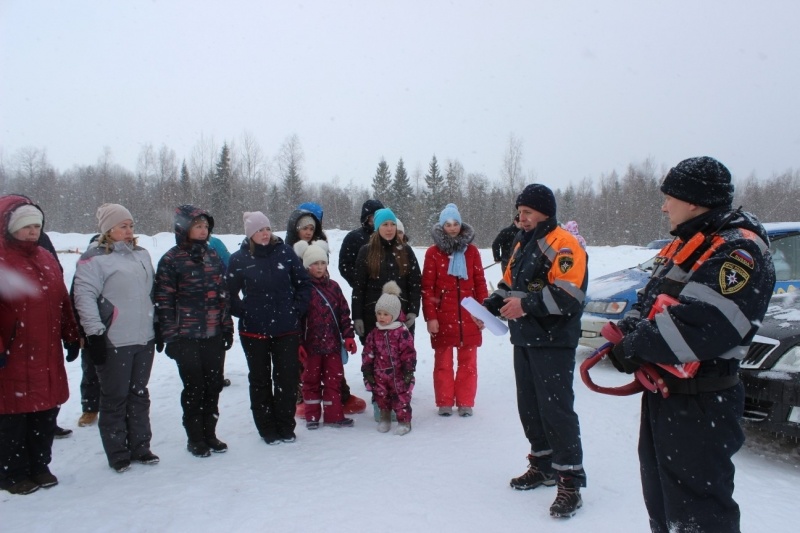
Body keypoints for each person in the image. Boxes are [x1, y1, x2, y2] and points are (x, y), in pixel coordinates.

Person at [607, 156, 775, 533]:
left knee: (698, 516)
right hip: (669, 396)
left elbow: (705, 326)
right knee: (664, 506)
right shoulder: (690, 243)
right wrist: (628, 331)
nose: (664, 206)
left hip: (702, 403)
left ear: (695, 201)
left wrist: (635, 345)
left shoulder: (737, 252)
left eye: (670, 198)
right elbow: (651, 303)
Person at [484, 183, 588, 518]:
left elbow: (570, 294)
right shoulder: (521, 241)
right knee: (529, 406)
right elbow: (509, 283)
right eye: (520, 212)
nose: (522, 218)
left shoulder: (564, 244)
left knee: (556, 409)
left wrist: (526, 305)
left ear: (545, 212)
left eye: (528, 212)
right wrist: (490, 304)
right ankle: (542, 464)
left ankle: (569, 482)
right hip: (524, 338)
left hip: (554, 340)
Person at [0, 195, 80, 495]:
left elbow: (61, 301)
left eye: (36, 225)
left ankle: (40, 465)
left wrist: (71, 334)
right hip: (12, 356)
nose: (33, 231)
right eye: (25, 226)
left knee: (44, 413)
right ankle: (12, 472)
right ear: (8, 227)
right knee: (13, 416)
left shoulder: (46, 257)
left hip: (46, 352)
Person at [72, 203, 160, 473]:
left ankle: (140, 447)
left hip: (143, 337)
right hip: (113, 338)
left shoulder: (142, 254)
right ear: (108, 229)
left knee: (139, 394)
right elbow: (84, 297)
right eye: (123, 225)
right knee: (115, 397)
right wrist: (95, 333)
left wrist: (158, 325)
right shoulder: (93, 258)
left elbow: (151, 292)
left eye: (131, 225)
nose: (129, 230)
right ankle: (118, 451)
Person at [155, 205, 234, 457]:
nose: (203, 230)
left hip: (213, 334)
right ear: (184, 228)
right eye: (197, 226)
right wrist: (170, 337)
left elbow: (223, 295)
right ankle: (195, 437)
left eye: (205, 226)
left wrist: (227, 326)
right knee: (194, 387)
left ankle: (210, 433)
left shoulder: (212, 255)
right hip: (185, 336)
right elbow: (163, 301)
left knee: (213, 386)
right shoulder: (171, 259)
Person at [228, 211, 311, 445]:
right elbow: (229, 293)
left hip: (286, 328)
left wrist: (296, 309)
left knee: (285, 379)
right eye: (258, 231)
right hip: (254, 331)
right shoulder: (239, 259)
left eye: (266, 229)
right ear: (250, 235)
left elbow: (303, 283)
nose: (264, 234)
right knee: (260, 379)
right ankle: (267, 428)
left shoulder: (285, 253)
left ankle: (285, 426)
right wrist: (244, 311)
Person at [287, 203, 366, 416]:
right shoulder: (287, 253)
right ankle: (306, 403)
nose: (308, 231)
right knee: (308, 374)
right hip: (308, 337)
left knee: (333, 373)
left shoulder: (331, 285)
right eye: (304, 228)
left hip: (330, 338)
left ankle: (338, 402)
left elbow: (342, 312)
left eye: (311, 228)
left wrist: (347, 335)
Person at [421, 203, 488, 417]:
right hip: (443, 316)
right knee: (443, 363)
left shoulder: (472, 251)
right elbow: (427, 288)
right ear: (442, 226)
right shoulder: (433, 253)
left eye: (456, 223)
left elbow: (480, 283)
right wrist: (431, 317)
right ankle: (445, 402)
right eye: (448, 224)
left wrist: (483, 312)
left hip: (469, 315)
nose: (452, 228)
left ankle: (466, 402)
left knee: (468, 363)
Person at [294, 241, 358, 429]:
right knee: (310, 381)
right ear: (307, 266)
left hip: (332, 346)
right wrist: (298, 342)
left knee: (334, 380)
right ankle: (312, 416)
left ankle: (334, 415)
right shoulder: (303, 289)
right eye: (315, 263)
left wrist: (348, 336)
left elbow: (344, 314)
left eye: (323, 263)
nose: (320, 267)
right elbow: (296, 318)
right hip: (311, 346)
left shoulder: (335, 287)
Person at [351, 207, 421, 341]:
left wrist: (413, 311)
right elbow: (358, 289)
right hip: (374, 317)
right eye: (385, 224)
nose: (390, 229)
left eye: (392, 224)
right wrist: (358, 317)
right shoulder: (366, 252)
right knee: (375, 358)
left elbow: (415, 284)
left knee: (403, 357)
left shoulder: (406, 251)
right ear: (377, 227)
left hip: (401, 316)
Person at [361, 281, 417, 435]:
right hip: (380, 374)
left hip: (398, 374)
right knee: (381, 397)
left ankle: (404, 421)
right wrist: (367, 370)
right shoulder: (374, 333)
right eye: (379, 313)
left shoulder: (401, 332)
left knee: (401, 398)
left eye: (386, 314)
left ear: (394, 314)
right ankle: (385, 418)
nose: (381, 317)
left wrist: (408, 370)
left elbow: (409, 353)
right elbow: (368, 352)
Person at [338, 199, 384, 287]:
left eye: (380, 215)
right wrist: (361, 283)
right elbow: (345, 266)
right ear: (367, 217)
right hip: (364, 292)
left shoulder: (388, 235)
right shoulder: (354, 237)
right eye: (374, 215)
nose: (377, 218)